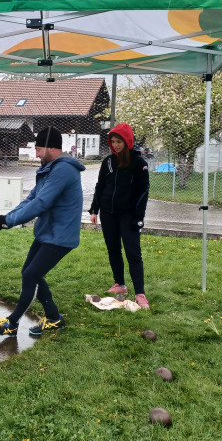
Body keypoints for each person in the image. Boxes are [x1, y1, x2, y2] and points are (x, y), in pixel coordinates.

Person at [0, 126, 85, 336]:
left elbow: (41, 203)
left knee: (31, 275)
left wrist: (8, 221)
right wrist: (5, 218)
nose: (36, 154)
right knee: (30, 273)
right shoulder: (49, 168)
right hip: (47, 231)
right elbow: (31, 199)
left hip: (60, 235)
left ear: (51, 148)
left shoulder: (63, 170)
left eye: (39, 149)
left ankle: (12, 323)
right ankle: (54, 318)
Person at [88, 123, 150, 309]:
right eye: (113, 141)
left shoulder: (139, 163)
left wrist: (139, 217)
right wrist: (94, 209)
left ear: (127, 141)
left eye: (119, 141)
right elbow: (100, 186)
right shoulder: (108, 162)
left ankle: (140, 293)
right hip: (108, 213)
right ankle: (120, 284)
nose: (115, 145)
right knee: (113, 249)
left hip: (129, 215)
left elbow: (143, 191)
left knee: (133, 252)